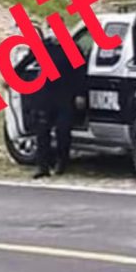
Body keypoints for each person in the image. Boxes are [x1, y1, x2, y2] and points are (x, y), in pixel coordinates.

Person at [33, 26, 86, 179]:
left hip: (65, 95)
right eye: (50, 27)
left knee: (63, 132)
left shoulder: (72, 49)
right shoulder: (44, 47)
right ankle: (43, 166)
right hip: (45, 95)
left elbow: (80, 73)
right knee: (42, 132)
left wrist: (80, 94)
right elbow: (26, 61)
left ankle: (61, 163)